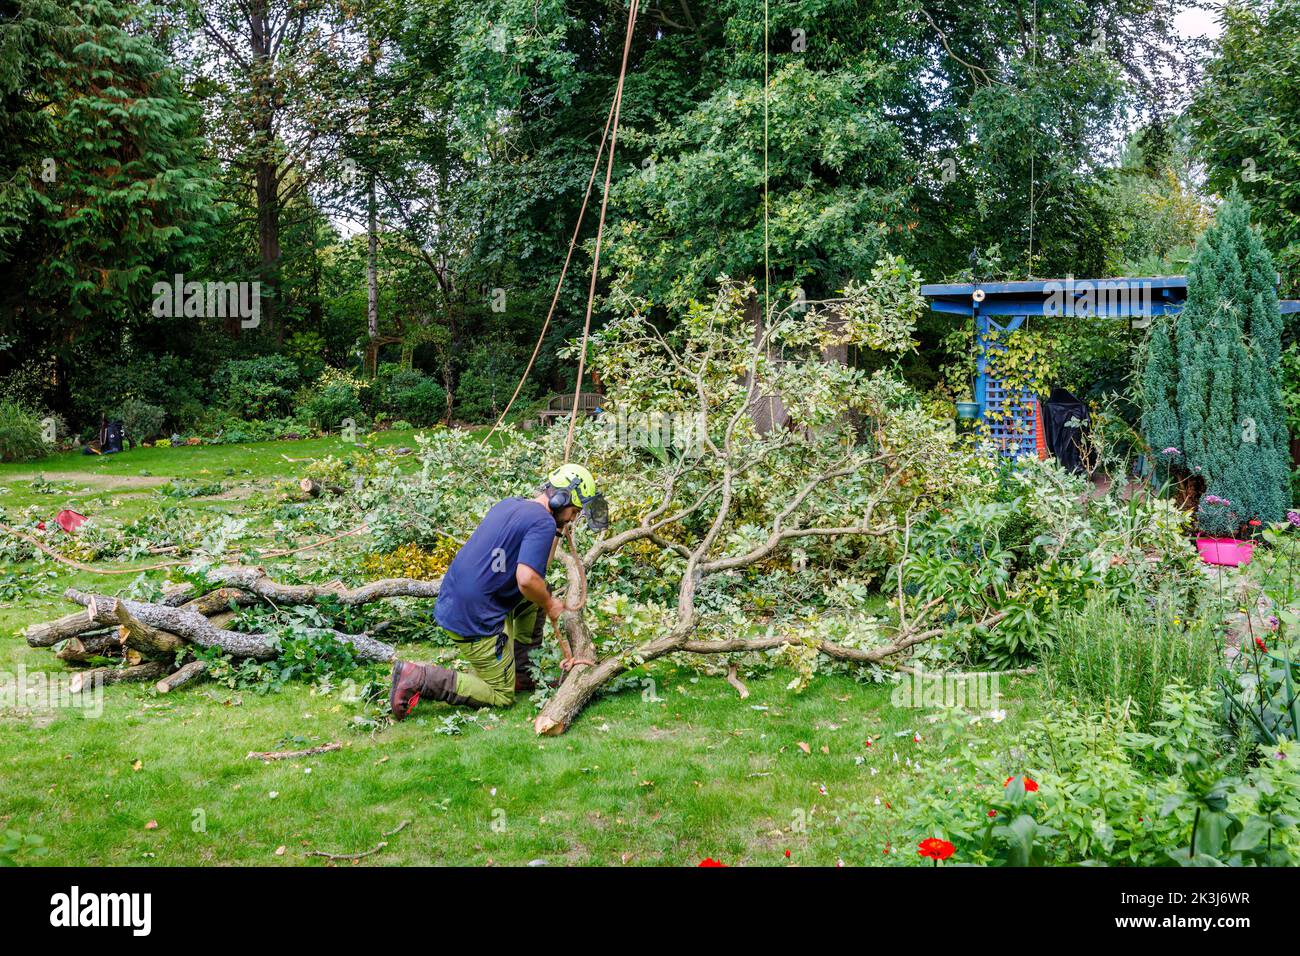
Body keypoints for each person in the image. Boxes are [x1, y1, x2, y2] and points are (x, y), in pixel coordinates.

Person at [389, 463, 608, 718]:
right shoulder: (541, 523)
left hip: (458, 600)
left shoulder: (513, 504)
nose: (573, 518)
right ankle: (418, 678)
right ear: (561, 500)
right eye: (574, 511)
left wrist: (558, 530)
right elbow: (526, 580)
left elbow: (538, 573)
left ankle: (523, 675)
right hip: (474, 617)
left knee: (539, 593)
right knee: (501, 695)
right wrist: (550, 604)